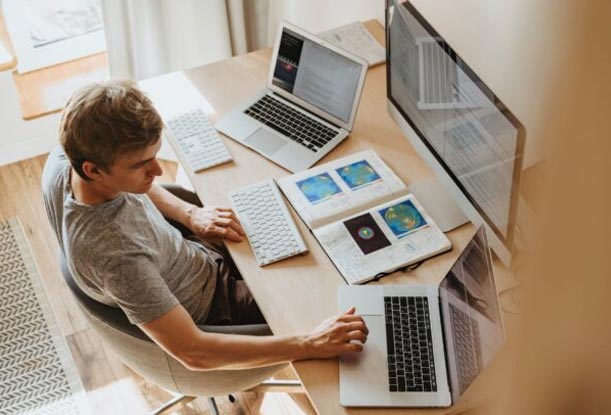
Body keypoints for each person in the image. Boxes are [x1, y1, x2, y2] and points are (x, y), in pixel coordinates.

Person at [42, 79, 368, 371]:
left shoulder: (66, 160)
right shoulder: (116, 258)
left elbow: (142, 186)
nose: (157, 171)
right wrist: (310, 344)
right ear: (93, 170)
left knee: (299, 222)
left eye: (155, 156)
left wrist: (190, 215)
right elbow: (194, 352)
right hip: (217, 309)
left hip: (190, 255)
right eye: (141, 165)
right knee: (337, 295)